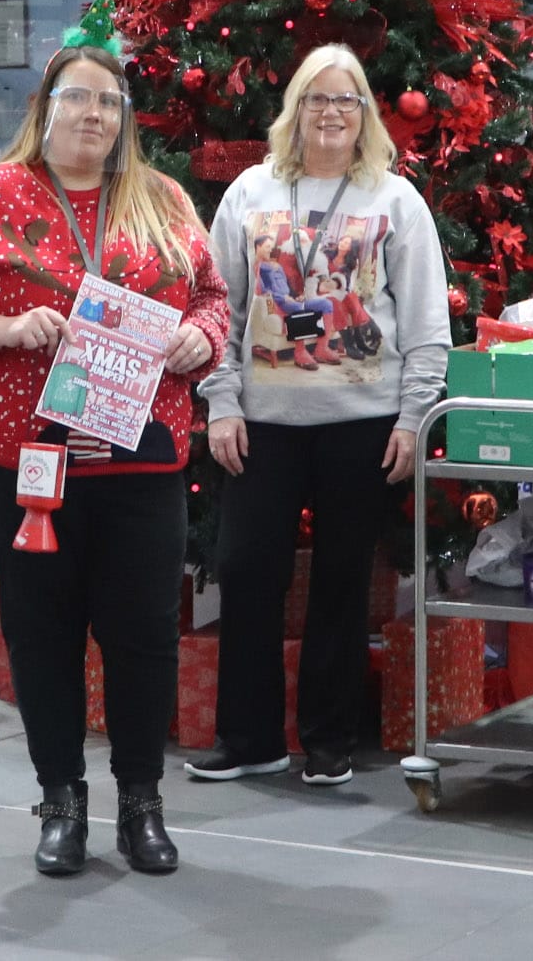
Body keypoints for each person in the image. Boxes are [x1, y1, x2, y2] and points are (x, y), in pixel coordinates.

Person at [0, 44, 226, 878]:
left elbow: (214, 298)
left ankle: (142, 804)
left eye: (110, 103)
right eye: (78, 99)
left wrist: (201, 338)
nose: (94, 116)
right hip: (18, 458)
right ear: (44, 109)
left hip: (141, 450)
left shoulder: (161, 199)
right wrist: (6, 331)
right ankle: (61, 804)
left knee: (144, 633)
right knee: (41, 633)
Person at [190, 43, 451, 787]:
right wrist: (221, 402)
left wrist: (410, 419)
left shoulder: (396, 201)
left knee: (342, 583)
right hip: (263, 424)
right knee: (244, 573)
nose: (332, 113)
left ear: (366, 114)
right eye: (317, 99)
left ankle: (329, 740)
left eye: (347, 101)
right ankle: (249, 738)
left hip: (363, 423)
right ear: (295, 110)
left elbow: (428, 326)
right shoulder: (249, 193)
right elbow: (219, 309)